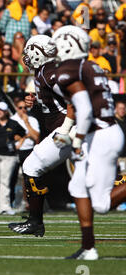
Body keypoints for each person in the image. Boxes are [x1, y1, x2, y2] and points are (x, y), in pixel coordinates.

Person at [51, 25, 124, 260]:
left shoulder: (70, 69)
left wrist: (76, 139)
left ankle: (89, 247)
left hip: (99, 134)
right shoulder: (90, 65)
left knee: (101, 204)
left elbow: (83, 109)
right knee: (77, 187)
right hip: (103, 132)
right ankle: (89, 248)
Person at [8, 35, 75, 237]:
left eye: (29, 51)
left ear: (38, 52)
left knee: (31, 166)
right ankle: (35, 221)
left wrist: (66, 129)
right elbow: (58, 101)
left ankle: (35, 222)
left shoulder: (49, 73)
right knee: (98, 178)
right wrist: (39, 102)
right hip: (71, 128)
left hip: (69, 129)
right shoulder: (44, 72)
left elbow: (74, 100)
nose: (26, 56)